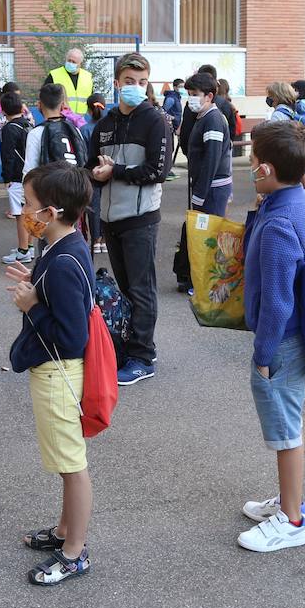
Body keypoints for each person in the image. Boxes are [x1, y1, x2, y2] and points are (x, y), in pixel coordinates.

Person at [7, 163, 97, 585]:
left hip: (59, 373)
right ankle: (64, 532)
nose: (24, 212)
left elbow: (72, 335)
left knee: (72, 464)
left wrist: (32, 306)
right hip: (56, 373)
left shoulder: (61, 260)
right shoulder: (62, 247)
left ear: (54, 212)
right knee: (64, 461)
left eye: (29, 205)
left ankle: (75, 552)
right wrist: (35, 285)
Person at [236, 122, 305, 553]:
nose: (249, 167)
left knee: (285, 432)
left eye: (251, 162)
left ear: (264, 167)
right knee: (285, 427)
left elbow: (278, 301)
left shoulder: (280, 223)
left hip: (281, 341)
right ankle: (288, 500)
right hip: (288, 336)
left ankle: (293, 518)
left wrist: (263, 353)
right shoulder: (291, 200)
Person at [88, 52, 170, 386]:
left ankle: (142, 356)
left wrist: (115, 171)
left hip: (141, 218)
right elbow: (90, 169)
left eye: (142, 82)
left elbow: (159, 171)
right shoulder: (104, 125)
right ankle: (131, 346)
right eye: (129, 82)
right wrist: (94, 174)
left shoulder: (155, 121)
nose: (136, 87)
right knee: (125, 290)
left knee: (141, 289)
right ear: (117, 83)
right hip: (110, 219)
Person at [174, 71, 233, 293]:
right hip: (206, 187)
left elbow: (212, 159)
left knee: (209, 235)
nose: (191, 98)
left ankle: (207, 284)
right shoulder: (203, 117)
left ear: (209, 96)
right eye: (189, 94)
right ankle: (199, 281)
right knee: (201, 234)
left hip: (212, 189)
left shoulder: (213, 120)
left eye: (195, 94)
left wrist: (200, 193)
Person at [0, 89, 35, 265]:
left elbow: (8, 156)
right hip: (31, 175)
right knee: (30, 211)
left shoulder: (9, 129)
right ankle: (29, 246)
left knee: (20, 214)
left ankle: (22, 251)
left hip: (17, 177)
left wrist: (6, 178)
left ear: (3, 111)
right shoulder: (28, 124)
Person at [24, 82, 87, 178]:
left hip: (51, 189)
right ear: (62, 105)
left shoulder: (36, 133)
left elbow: (29, 171)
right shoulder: (74, 129)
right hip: (76, 189)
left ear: (39, 105)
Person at [81, 93, 107, 253]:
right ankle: (105, 239)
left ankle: (96, 240)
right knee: (107, 205)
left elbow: (84, 155)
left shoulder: (84, 129)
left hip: (91, 174)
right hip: (108, 171)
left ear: (89, 110)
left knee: (93, 207)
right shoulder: (109, 126)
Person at [47, 47, 93, 116]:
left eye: (74, 62)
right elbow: (45, 95)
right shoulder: (54, 74)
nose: (70, 63)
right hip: (60, 118)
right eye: (69, 60)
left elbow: (91, 97)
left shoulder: (87, 77)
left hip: (79, 120)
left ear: (80, 64)